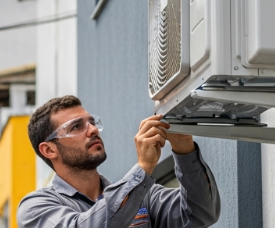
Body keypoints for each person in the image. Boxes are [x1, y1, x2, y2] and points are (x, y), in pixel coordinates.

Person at [17, 96, 220, 228]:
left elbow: (201, 214)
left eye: (92, 122)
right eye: (76, 126)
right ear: (49, 149)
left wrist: (184, 149)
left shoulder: (144, 195)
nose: (93, 130)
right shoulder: (35, 208)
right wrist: (142, 168)